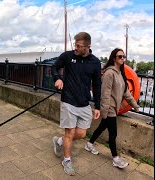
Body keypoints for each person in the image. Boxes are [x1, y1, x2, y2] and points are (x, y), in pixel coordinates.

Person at [51, 32, 101, 176]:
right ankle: (66, 160)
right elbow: (54, 67)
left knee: (81, 133)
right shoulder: (67, 56)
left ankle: (59, 141)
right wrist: (58, 78)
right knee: (70, 132)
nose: (76, 48)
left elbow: (97, 85)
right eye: (75, 45)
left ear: (88, 47)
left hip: (84, 103)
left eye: (79, 46)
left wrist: (97, 106)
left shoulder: (95, 62)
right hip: (68, 100)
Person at [84, 48, 139, 169]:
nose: (122, 59)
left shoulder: (120, 73)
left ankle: (89, 144)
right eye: (119, 56)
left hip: (114, 108)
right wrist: (105, 109)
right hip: (109, 109)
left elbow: (126, 93)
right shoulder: (109, 73)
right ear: (114, 58)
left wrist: (135, 105)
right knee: (113, 133)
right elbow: (105, 93)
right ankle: (116, 158)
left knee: (102, 127)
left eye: (123, 57)